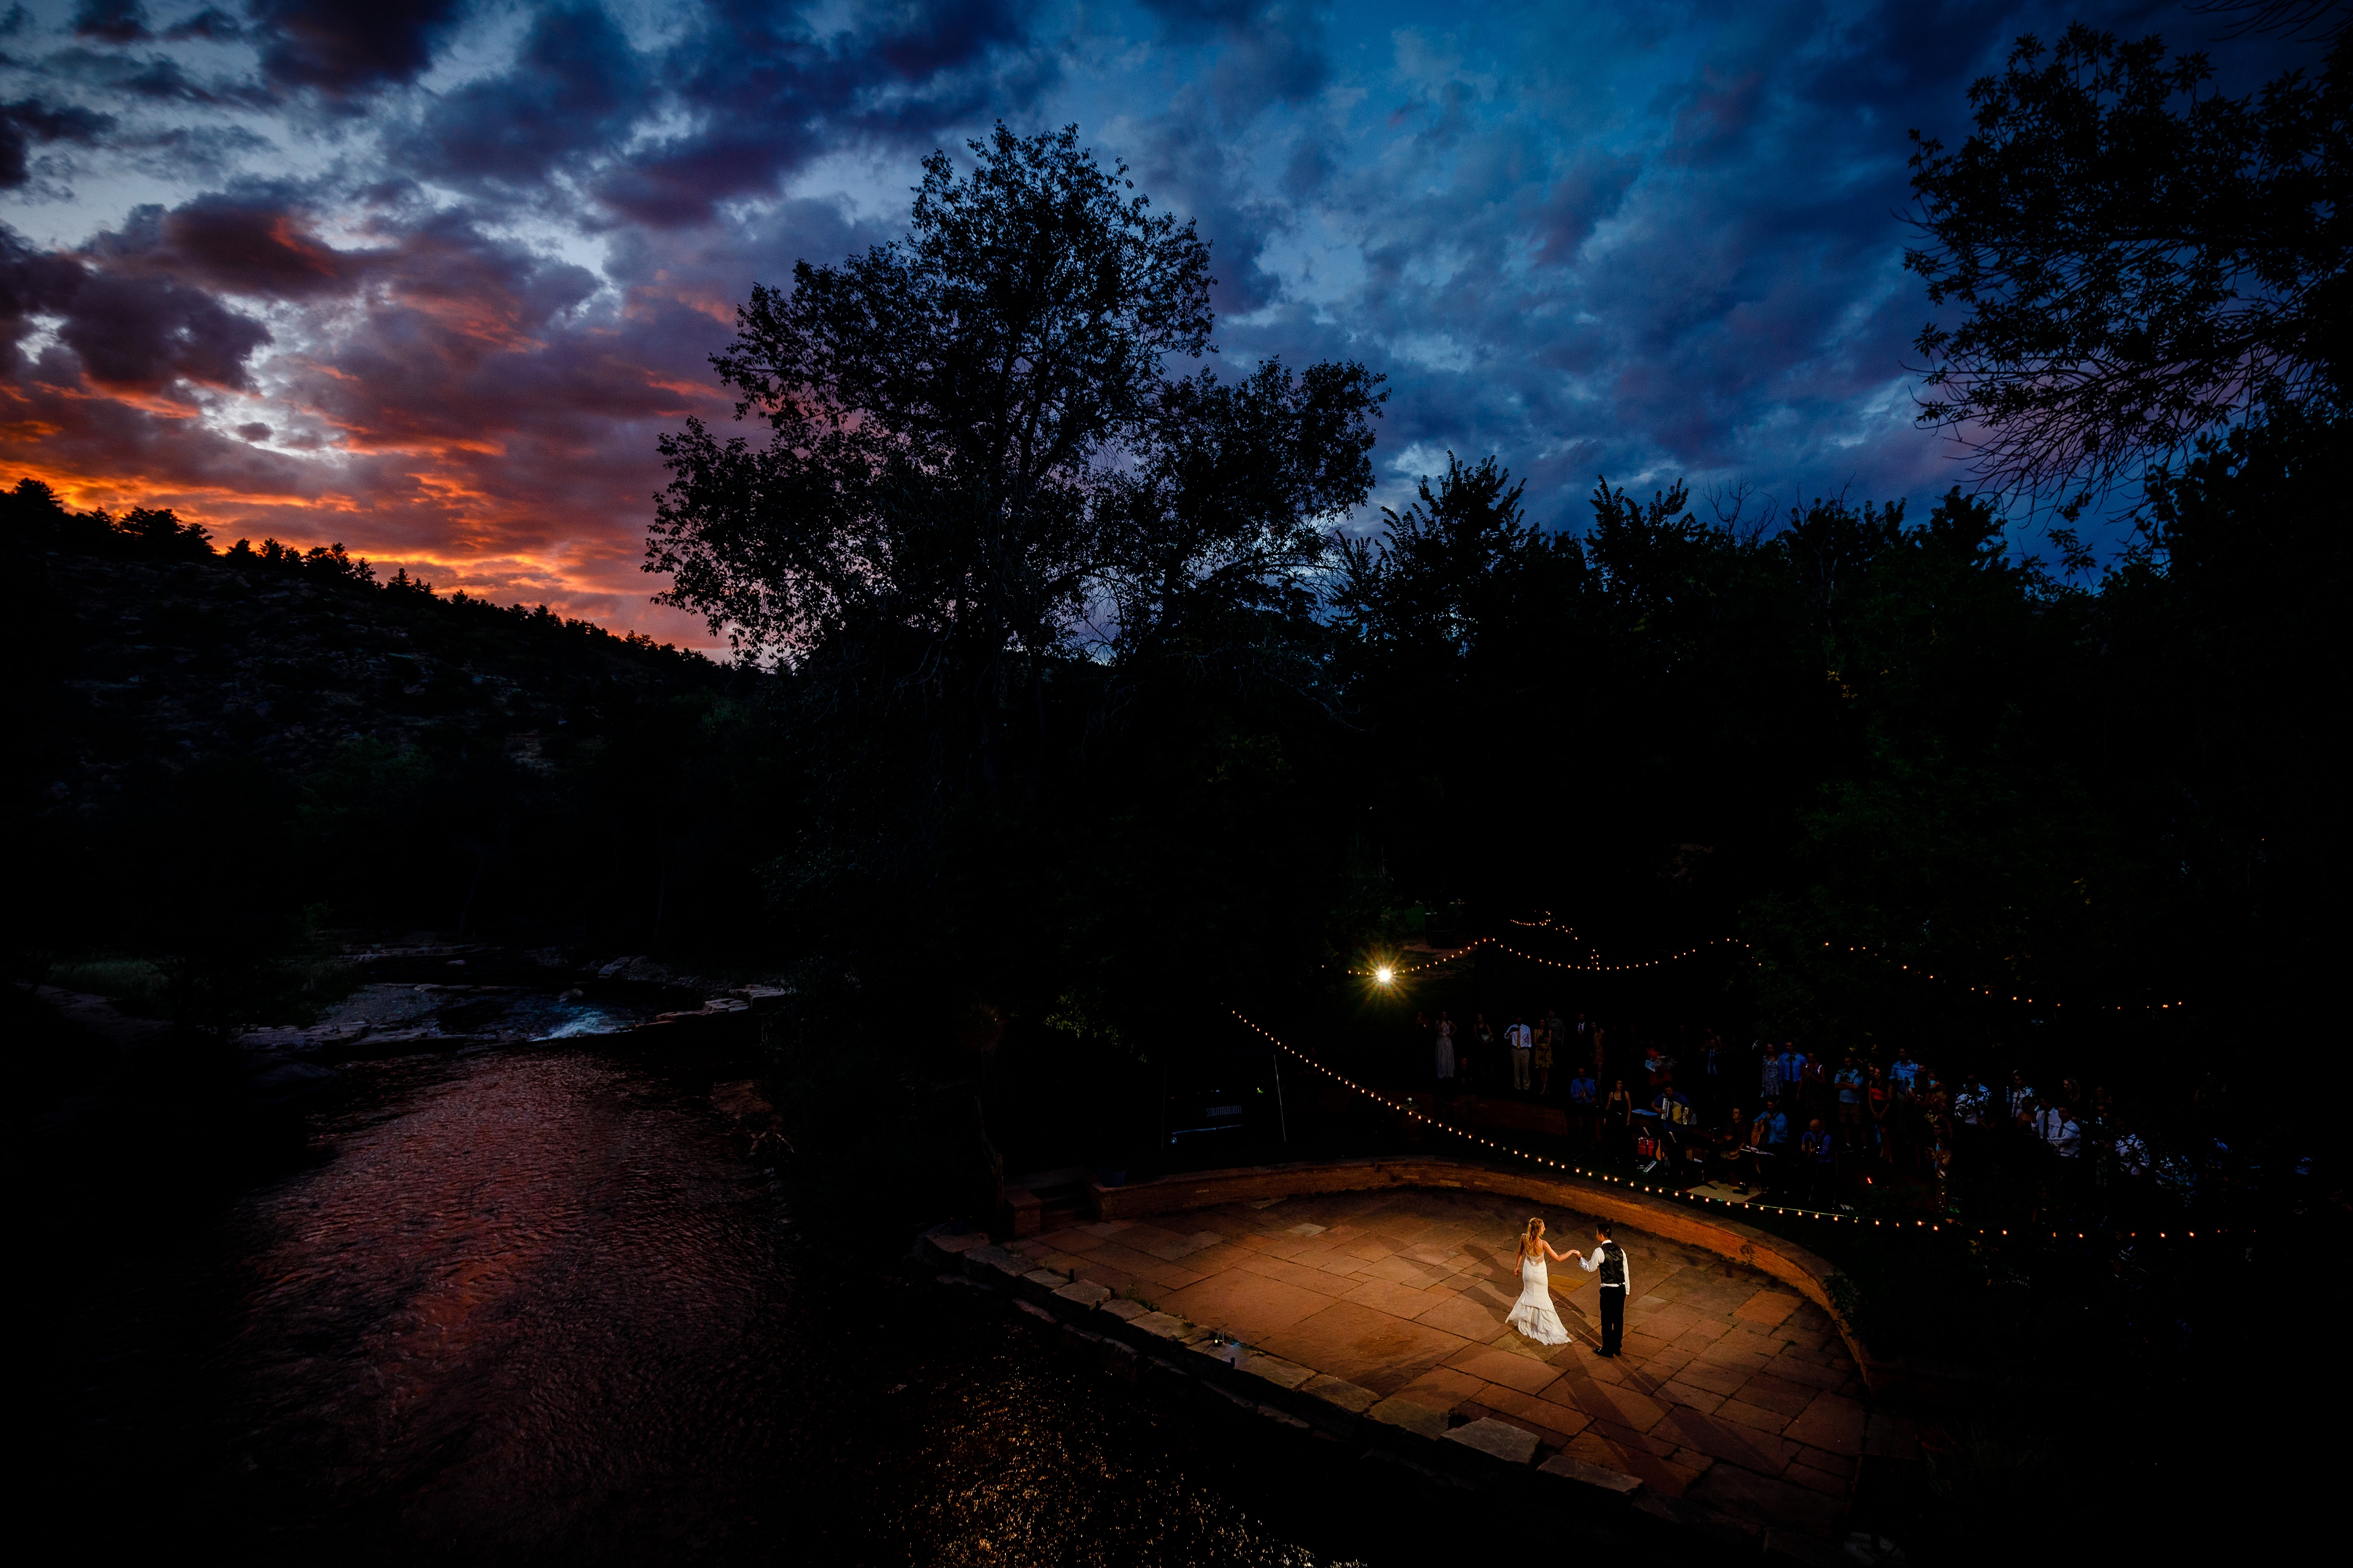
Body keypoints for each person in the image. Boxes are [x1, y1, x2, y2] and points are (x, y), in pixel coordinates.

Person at [1506, 1217, 1574, 1346]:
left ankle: (1528, 1322)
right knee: (1543, 1299)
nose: (1545, 1229)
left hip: (1527, 1272)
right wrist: (1572, 1251)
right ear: (1538, 1230)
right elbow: (1559, 1259)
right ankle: (1543, 1325)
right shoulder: (1543, 1244)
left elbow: (1520, 1253)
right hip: (1539, 1275)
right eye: (1543, 1227)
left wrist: (1516, 1267)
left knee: (1528, 1295)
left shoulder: (1523, 1238)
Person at [1568, 1223, 1631, 1356]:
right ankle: (1617, 1346)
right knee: (1618, 1319)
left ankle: (1607, 1349)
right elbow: (1625, 1271)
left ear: (1601, 1236)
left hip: (1608, 1291)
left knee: (1607, 1320)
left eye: (1597, 1233)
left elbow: (1591, 1268)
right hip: (1620, 1289)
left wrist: (1581, 1259)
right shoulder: (1621, 1250)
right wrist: (1627, 1290)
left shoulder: (1599, 1251)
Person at [1799, 1116, 1836, 1206]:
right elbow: (1805, 1135)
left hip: (1826, 1162)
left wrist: (1815, 1151)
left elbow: (1825, 1152)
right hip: (1816, 1161)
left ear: (1818, 1128)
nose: (1810, 1129)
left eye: (1812, 1127)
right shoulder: (1812, 1134)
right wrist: (1803, 1143)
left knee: (1821, 1177)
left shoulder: (1827, 1138)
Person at [1835, 1055, 1866, 1139]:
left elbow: (1856, 1087)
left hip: (1855, 1102)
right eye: (1845, 1062)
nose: (1847, 1064)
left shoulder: (1858, 1073)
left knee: (1859, 1124)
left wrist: (1843, 1083)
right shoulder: (1841, 1072)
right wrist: (1851, 1085)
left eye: (1848, 1062)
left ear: (1852, 1062)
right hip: (1843, 1101)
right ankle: (1848, 1143)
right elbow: (1836, 1086)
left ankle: (1862, 1144)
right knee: (1845, 1123)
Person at [1508, 1015, 1533, 1091]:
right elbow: (1506, 1037)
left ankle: (1526, 1085)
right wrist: (1510, 1031)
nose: (1519, 1021)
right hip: (1515, 1049)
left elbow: (1529, 1040)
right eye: (1517, 1020)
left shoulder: (1527, 1028)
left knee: (1525, 1069)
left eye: (1520, 1020)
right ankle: (1517, 1086)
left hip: (1524, 1050)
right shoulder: (1512, 1027)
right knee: (1516, 1068)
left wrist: (1528, 1049)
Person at [1533, 1017, 1555, 1096]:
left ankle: (1544, 1087)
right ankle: (1545, 1088)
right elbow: (1535, 1042)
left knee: (1546, 1070)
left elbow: (1549, 1042)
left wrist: (1544, 1051)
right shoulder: (1536, 1031)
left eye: (1543, 1022)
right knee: (1541, 1070)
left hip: (1547, 1050)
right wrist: (1541, 1048)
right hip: (1539, 1049)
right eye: (1541, 1022)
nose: (1542, 1024)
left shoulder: (1549, 1031)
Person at [1434, 1012, 1456, 1086]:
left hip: (1447, 1041)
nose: (1444, 1016)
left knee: (1447, 1056)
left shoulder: (1448, 1022)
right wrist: (1439, 1030)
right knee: (1441, 1057)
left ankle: (1448, 1073)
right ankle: (1441, 1073)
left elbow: (1455, 1028)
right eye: (1443, 1014)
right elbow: (1435, 1030)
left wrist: (1451, 1034)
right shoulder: (1438, 1022)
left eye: (1445, 1014)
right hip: (1440, 1041)